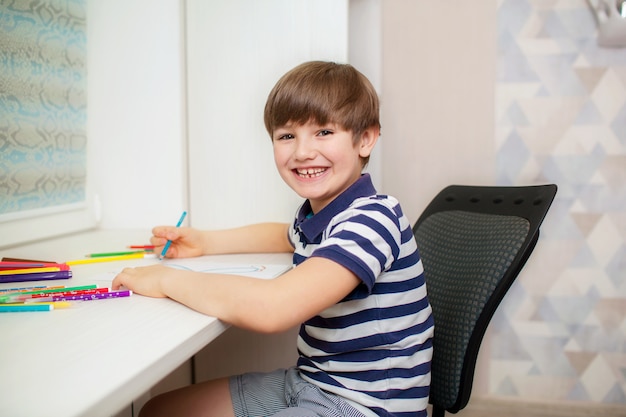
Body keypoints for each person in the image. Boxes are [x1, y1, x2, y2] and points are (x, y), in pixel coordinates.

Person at [112, 61, 434, 417]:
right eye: (286, 136)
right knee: (161, 410)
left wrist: (169, 279)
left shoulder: (373, 217)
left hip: (365, 406)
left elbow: (273, 308)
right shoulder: (321, 215)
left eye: (324, 132)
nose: (302, 152)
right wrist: (205, 242)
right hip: (312, 382)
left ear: (366, 138)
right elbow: (283, 235)